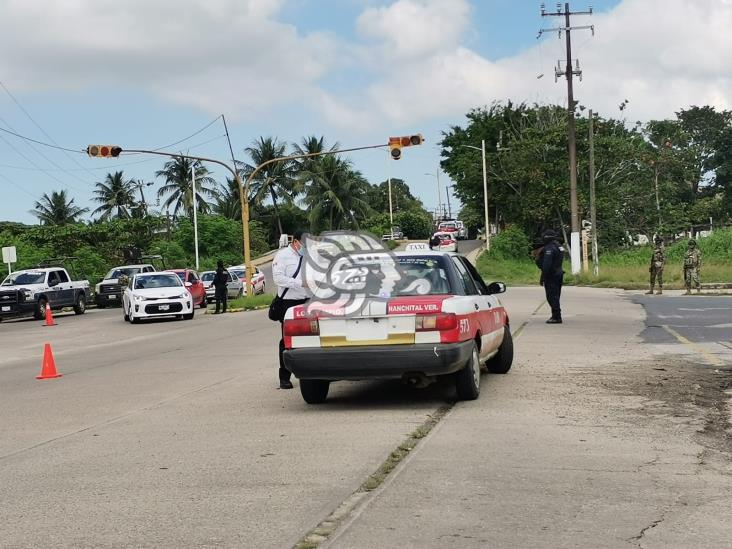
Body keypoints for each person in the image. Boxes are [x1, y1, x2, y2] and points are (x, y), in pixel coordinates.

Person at [272, 229, 309, 389]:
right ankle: (284, 377)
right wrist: (300, 283)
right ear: (295, 242)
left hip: (307, 301)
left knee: (309, 338)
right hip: (288, 303)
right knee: (287, 340)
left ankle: (308, 374)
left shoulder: (308, 257)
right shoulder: (282, 256)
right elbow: (278, 278)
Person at [537, 229, 564, 324]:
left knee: (552, 296)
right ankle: (556, 315)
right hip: (558, 273)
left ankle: (556, 316)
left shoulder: (549, 248)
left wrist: (542, 277)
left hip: (551, 275)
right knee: (556, 295)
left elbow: (546, 265)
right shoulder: (559, 246)